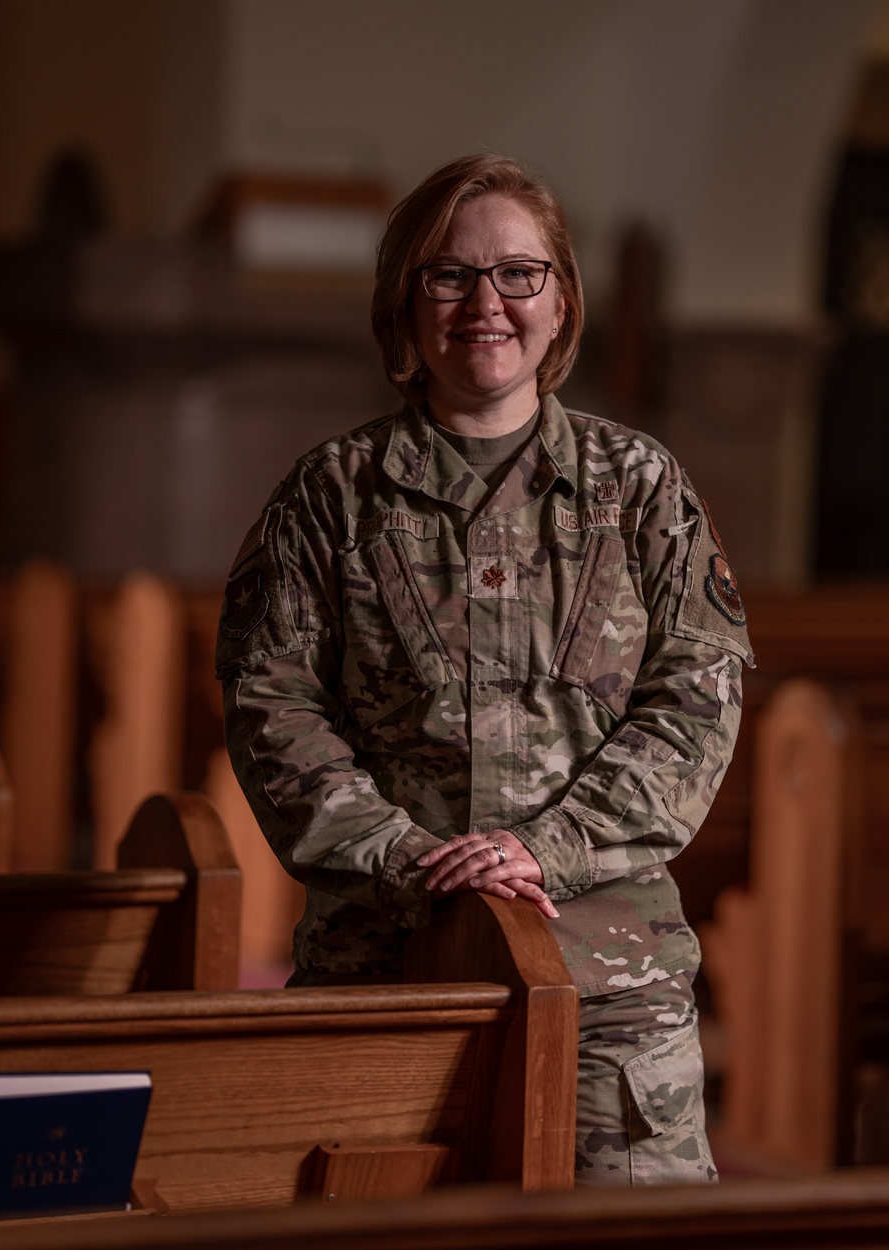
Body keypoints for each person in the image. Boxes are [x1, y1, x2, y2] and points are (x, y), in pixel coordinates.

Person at [215, 153, 753, 1186]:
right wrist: (407, 855)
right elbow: (269, 699)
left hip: (608, 977)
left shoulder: (637, 488)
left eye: (519, 273)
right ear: (403, 306)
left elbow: (695, 699)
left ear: (560, 303)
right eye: (448, 275)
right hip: (383, 967)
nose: (485, 303)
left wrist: (542, 850)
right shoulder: (331, 495)